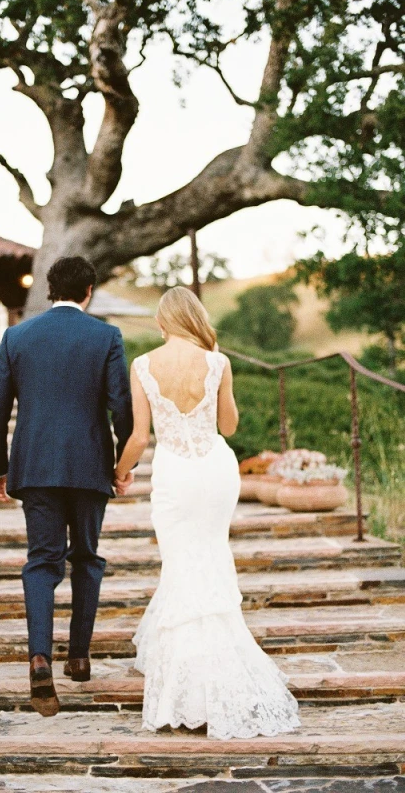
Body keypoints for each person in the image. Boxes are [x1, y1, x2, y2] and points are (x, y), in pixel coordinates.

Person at [114, 286, 300, 740]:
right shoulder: (218, 362)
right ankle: (210, 675)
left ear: (163, 322)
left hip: (175, 474)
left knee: (181, 564)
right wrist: (217, 370)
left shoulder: (143, 365)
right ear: (196, 318)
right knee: (212, 557)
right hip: (216, 472)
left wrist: (118, 472)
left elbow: (139, 437)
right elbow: (229, 426)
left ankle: (187, 688)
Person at [0, 256, 134, 717]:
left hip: (35, 466)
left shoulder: (16, 336)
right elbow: (121, 408)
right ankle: (80, 656)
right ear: (88, 290)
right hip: (90, 467)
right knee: (86, 557)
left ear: (50, 289)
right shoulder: (106, 336)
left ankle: (39, 658)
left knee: (42, 561)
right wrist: (122, 463)